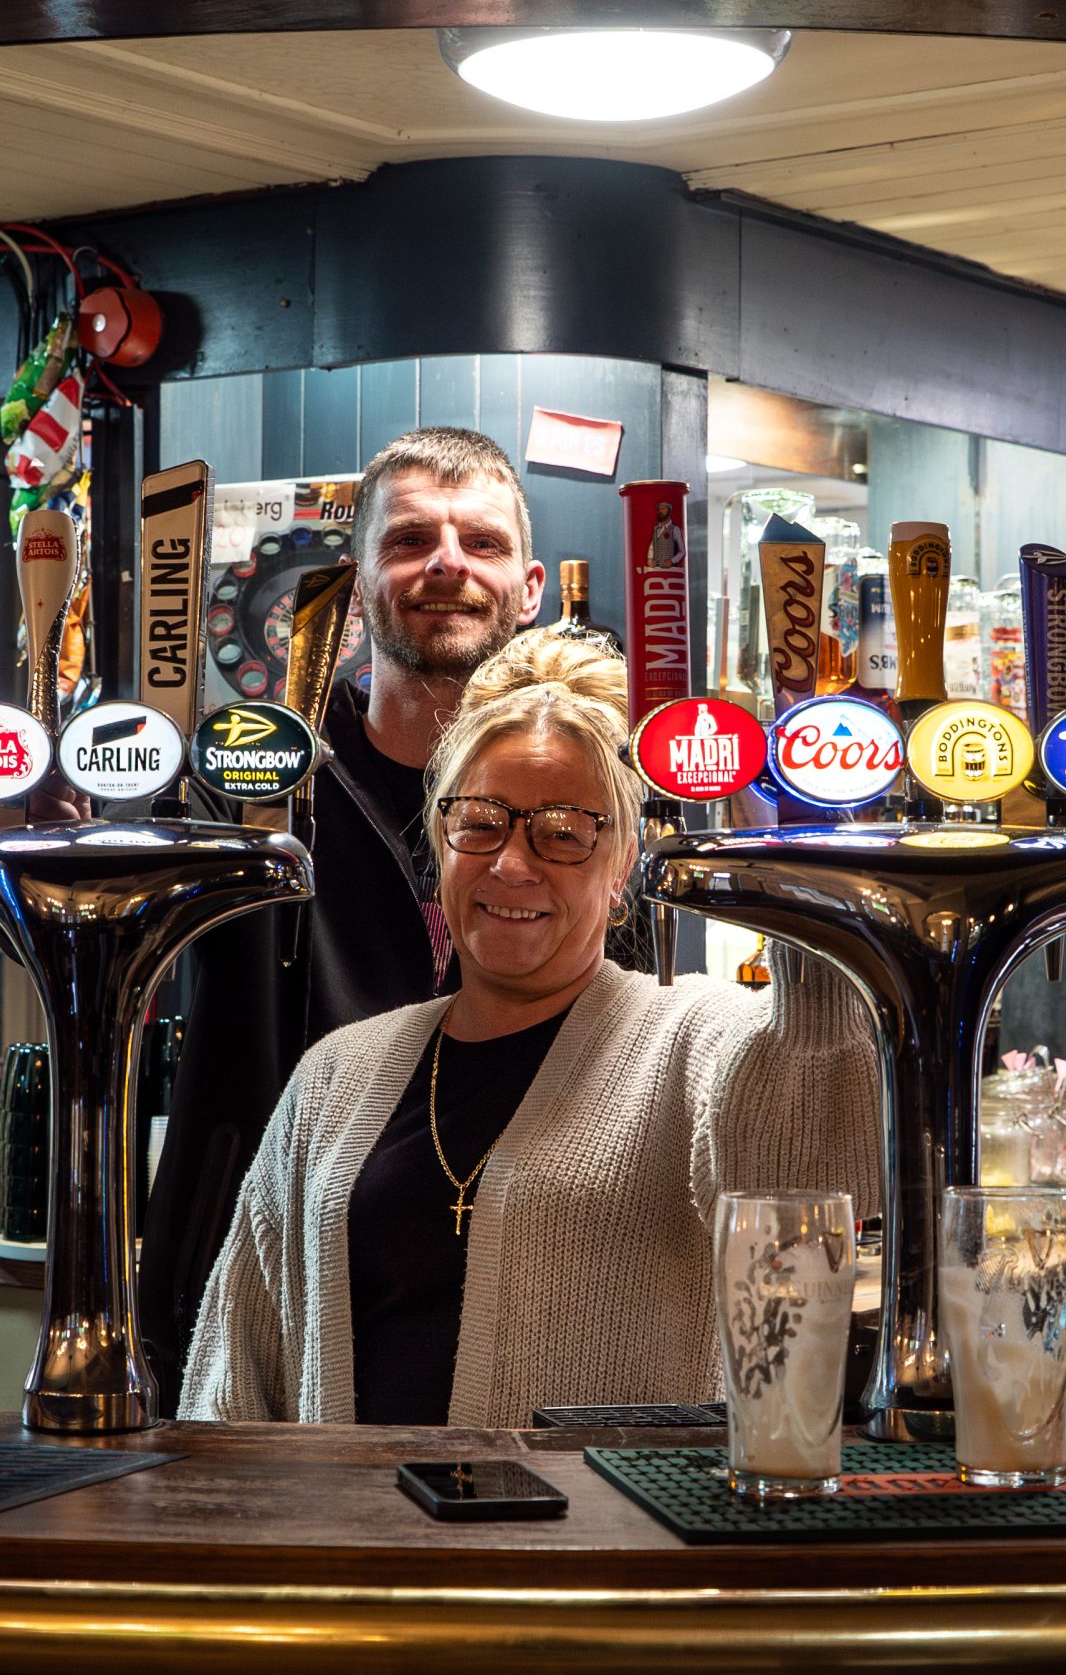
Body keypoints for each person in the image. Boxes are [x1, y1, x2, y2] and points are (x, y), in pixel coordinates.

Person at [180, 629, 879, 1426]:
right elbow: (236, 1369)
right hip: (355, 1542)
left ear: (623, 871)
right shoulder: (338, 1073)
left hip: (601, 1546)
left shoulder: (696, 1036)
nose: (512, 863)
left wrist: (809, 879)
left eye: (562, 830)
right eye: (481, 821)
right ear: (438, 843)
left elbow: (822, 1182)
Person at [142, 427, 547, 1404]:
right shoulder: (243, 784)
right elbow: (95, 958)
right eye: (410, 540)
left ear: (531, 588)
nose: (447, 562)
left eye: (480, 542)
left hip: (520, 1282)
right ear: (353, 583)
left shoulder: (583, 806)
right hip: (274, 1284)